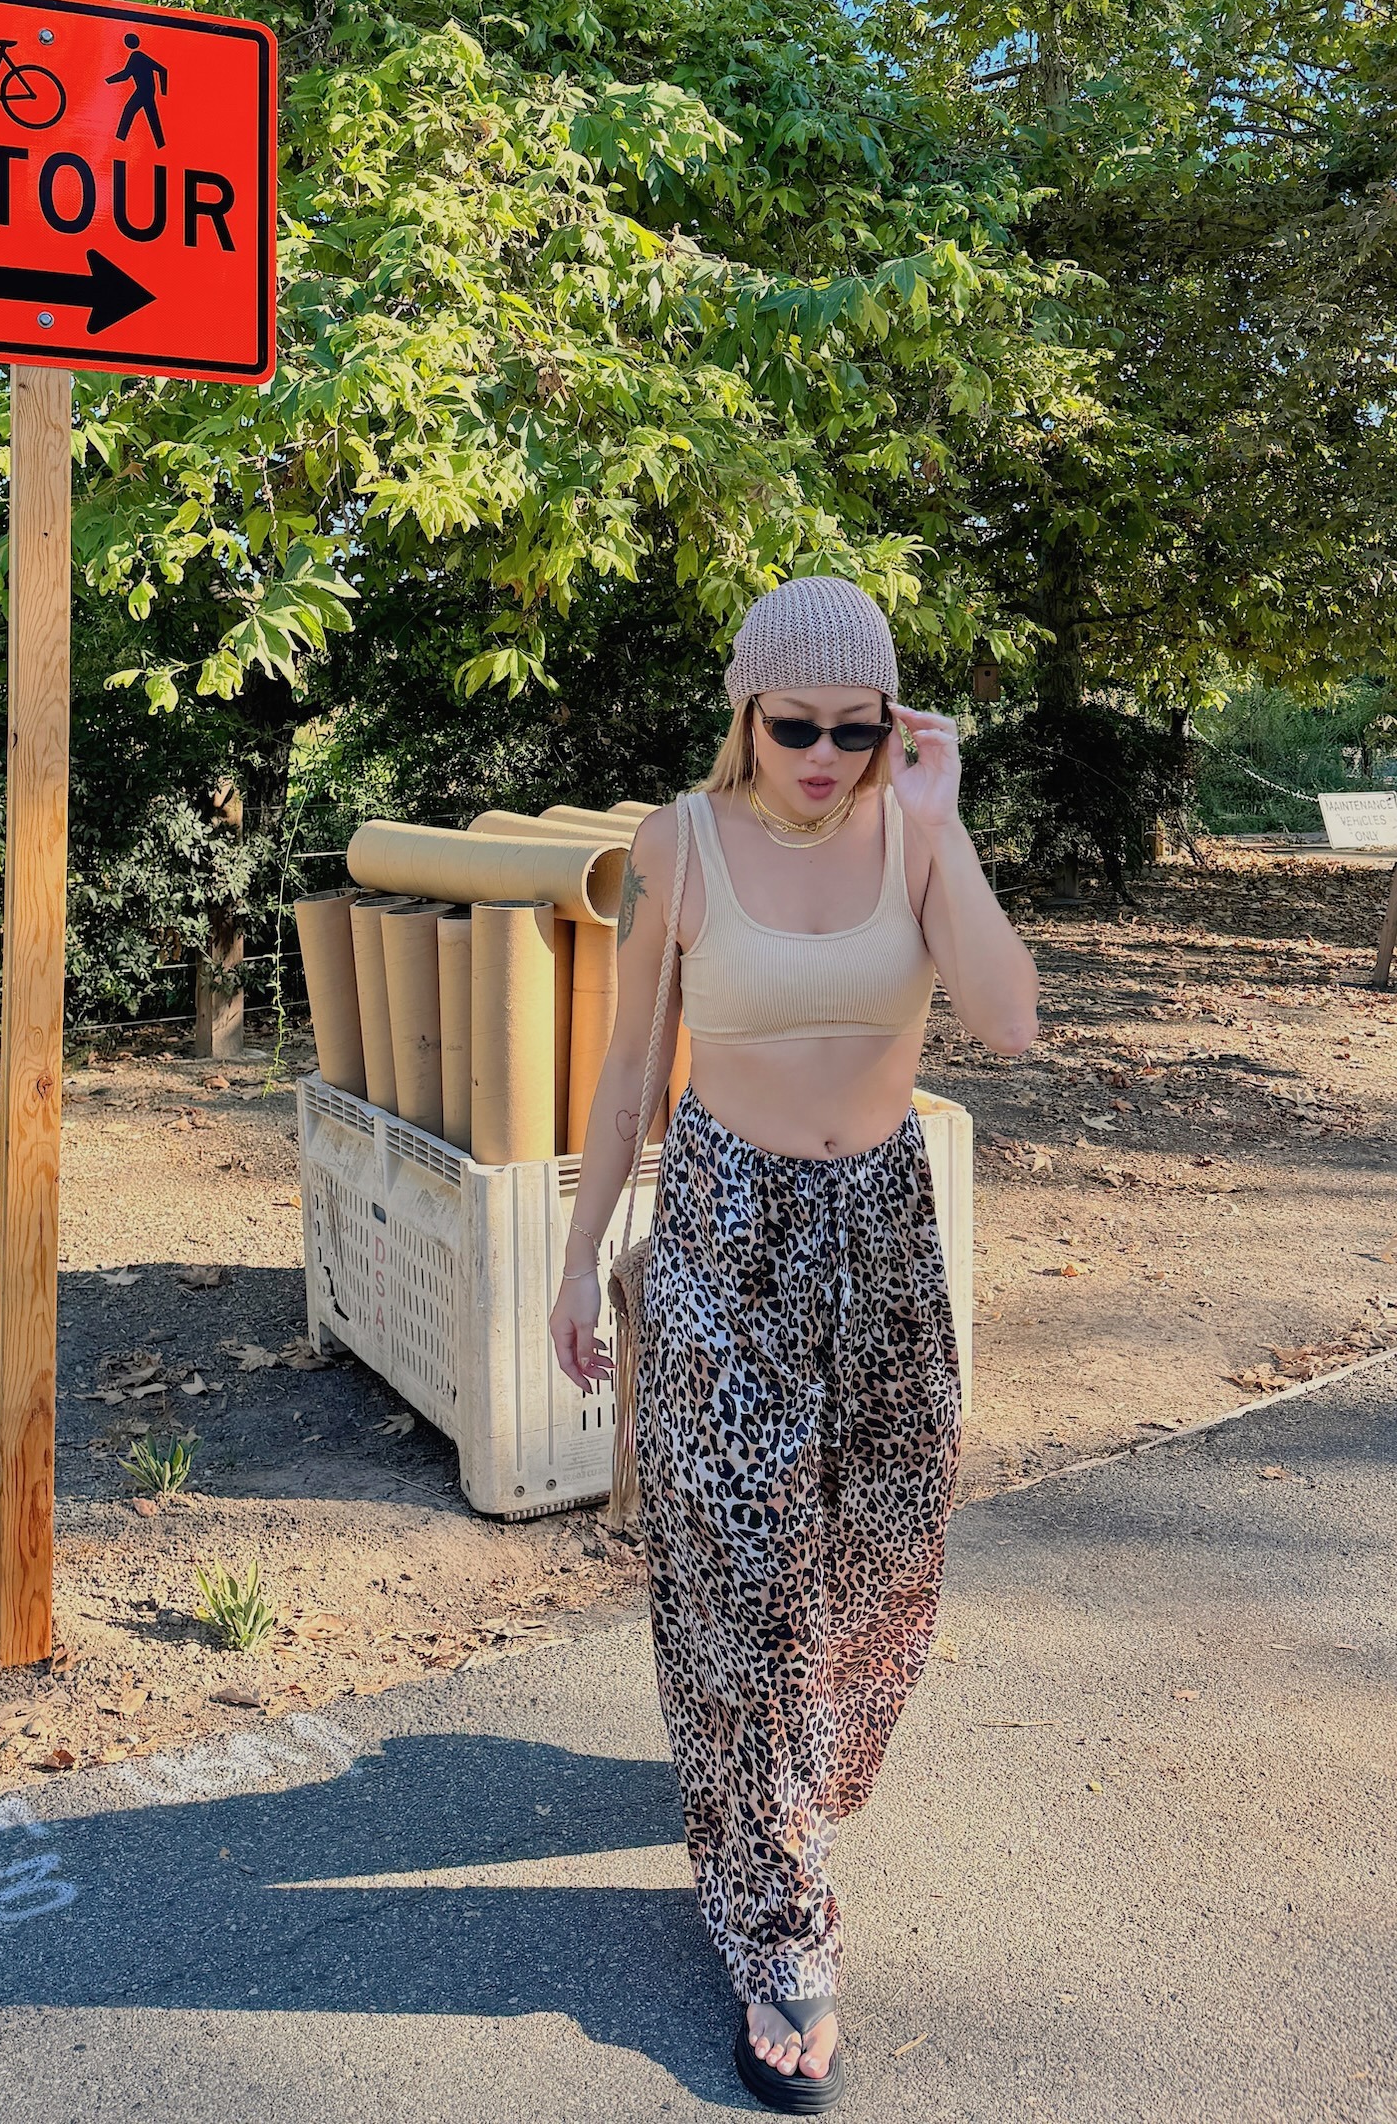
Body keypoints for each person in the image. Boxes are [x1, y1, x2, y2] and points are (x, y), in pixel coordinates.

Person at [549, 576, 1038, 2112]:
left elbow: (1010, 1020)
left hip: (882, 1229)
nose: (824, 758)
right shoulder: (679, 847)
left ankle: (773, 1779)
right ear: (745, 714)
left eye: (856, 729)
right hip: (726, 1232)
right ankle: (779, 1928)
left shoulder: (913, 837)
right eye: (795, 727)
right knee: (746, 1566)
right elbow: (627, 1078)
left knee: (886, 1550)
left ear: (892, 725)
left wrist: (944, 823)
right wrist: (577, 1264)